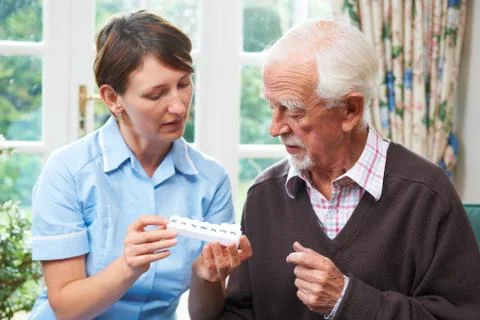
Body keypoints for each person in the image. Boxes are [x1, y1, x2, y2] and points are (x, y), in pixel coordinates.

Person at [221, 20, 480, 319]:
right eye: (271, 107)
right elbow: (240, 313)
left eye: (293, 111)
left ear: (350, 111)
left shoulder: (427, 195)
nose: (274, 128)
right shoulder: (262, 195)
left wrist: (348, 300)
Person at [30, 10, 251, 320]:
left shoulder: (210, 180)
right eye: (156, 94)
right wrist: (128, 266)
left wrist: (207, 277)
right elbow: (66, 307)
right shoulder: (68, 171)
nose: (178, 106)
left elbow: (206, 315)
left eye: (184, 84)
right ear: (112, 99)